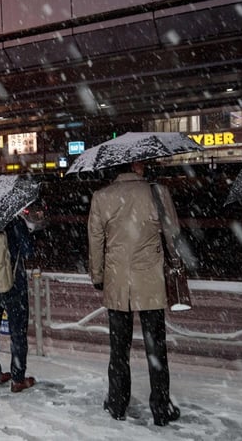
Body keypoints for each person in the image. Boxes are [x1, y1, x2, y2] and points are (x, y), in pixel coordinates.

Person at [87, 160, 181, 426]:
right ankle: (161, 408)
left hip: (118, 282)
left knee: (118, 349)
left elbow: (95, 241)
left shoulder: (101, 197)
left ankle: (117, 403)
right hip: (151, 281)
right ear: (137, 166)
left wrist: (98, 276)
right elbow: (172, 234)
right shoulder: (157, 193)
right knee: (156, 349)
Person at [0, 215, 36, 392]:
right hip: (13, 284)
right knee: (18, 332)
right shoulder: (14, 221)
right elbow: (28, 251)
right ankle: (18, 379)